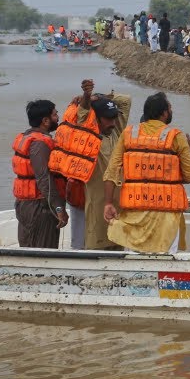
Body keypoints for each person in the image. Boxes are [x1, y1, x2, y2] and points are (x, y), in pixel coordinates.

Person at [104, 92, 190, 253]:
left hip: (134, 214)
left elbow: (112, 171)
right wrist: (167, 177)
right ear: (164, 113)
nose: (171, 111)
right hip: (166, 216)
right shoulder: (176, 136)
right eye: (169, 108)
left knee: (133, 264)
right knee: (166, 265)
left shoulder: (128, 133)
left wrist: (108, 203)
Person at [50, 79, 131, 250]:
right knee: (91, 242)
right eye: (107, 119)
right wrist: (87, 98)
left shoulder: (116, 131)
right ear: (96, 118)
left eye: (114, 118)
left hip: (115, 200)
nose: (112, 122)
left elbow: (125, 100)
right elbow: (84, 112)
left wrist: (100, 97)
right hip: (92, 199)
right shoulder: (85, 132)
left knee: (117, 242)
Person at [12, 99, 68, 248]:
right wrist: (59, 209)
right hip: (39, 207)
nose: (58, 117)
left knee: (29, 246)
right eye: (55, 114)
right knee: (44, 250)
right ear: (45, 120)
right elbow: (44, 179)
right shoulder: (40, 144)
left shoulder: (28, 138)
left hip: (26, 205)